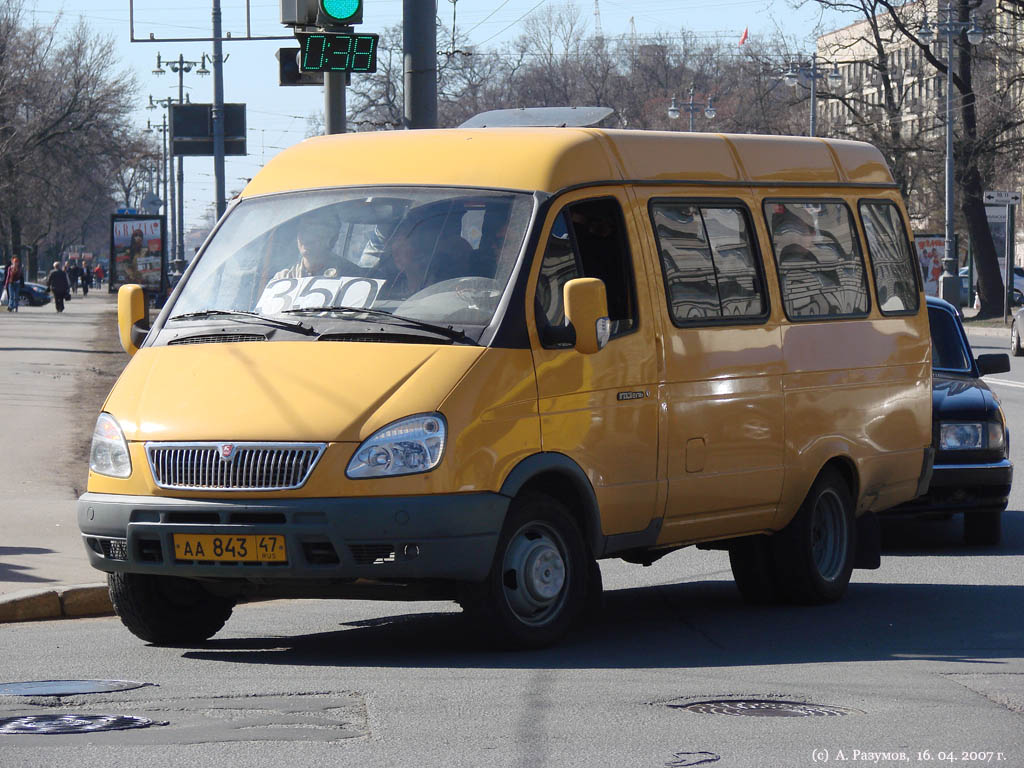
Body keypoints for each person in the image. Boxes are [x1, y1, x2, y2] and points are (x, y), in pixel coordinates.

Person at [374, 217, 473, 301]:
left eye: (402, 246)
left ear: (421, 249)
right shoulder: (385, 291)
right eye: (393, 248)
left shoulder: (450, 291)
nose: (395, 255)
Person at [273, 209, 342, 280]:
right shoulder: (283, 278)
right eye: (303, 229)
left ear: (333, 238)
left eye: (314, 231)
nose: (306, 237)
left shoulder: (350, 275)